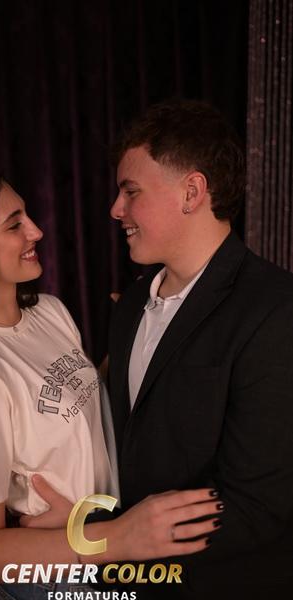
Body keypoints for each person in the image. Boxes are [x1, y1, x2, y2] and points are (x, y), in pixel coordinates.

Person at [0, 166, 222, 600]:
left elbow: (75, 403)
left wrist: (139, 333)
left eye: (28, 216)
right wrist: (119, 536)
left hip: (100, 558)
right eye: (14, 224)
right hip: (49, 582)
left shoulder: (49, 312)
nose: (36, 231)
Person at [106, 99, 293, 598]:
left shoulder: (275, 308)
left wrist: (109, 540)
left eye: (131, 191)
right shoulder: (129, 308)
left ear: (191, 192)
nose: (116, 209)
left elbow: (259, 505)